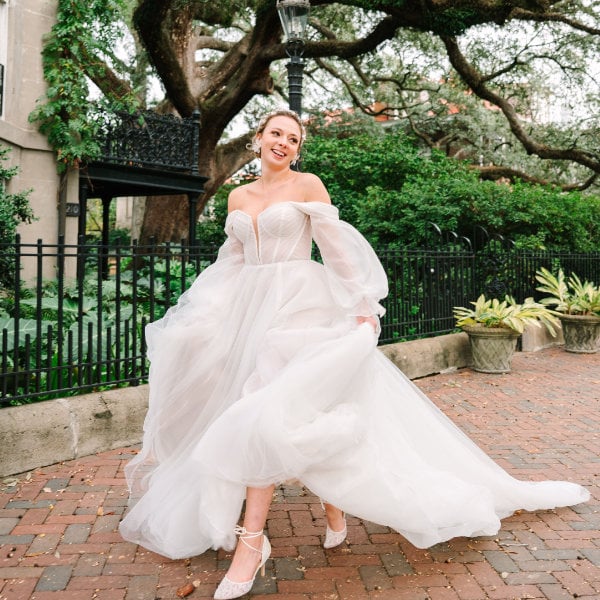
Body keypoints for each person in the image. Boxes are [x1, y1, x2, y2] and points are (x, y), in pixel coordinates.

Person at [119, 109, 590, 600]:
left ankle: (251, 541)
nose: (283, 143)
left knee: (268, 409)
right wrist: (205, 315)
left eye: (293, 139)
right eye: (275, 134)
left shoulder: (308, 186)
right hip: (247, 310)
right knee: (267, 412)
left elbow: (335, 247)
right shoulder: (238, 195)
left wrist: (363, 307)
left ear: (298, 149)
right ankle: (332, 506)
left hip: (298, 307)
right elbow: (233, 260)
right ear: (257, 140)